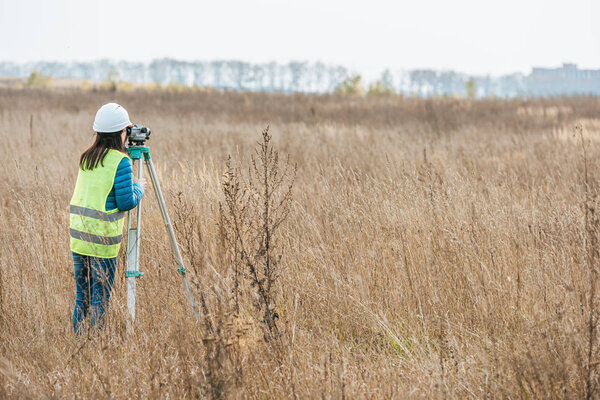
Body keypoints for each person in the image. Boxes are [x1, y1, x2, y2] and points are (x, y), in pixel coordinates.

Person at [69, 103, 147, 334]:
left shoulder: (87, 157)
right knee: (100, 300)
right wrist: (139, 188)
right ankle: (97, 349)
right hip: (102, 243)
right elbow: (125, 202)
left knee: (82, 299)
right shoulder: (120, 161)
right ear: (122, 132)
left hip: (79, 239)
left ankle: (79, 344)